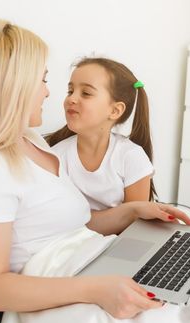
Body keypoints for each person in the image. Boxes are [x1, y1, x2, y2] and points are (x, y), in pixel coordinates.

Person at [0, 19, 190, 321]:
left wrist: (134, 211)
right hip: (74, 302)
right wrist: (97, 290)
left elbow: (70, 227)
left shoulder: (30, 141)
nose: (49, 94)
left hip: (96, 269)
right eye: (43, 80)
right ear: (14, 86)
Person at [46, 58, 156, 210]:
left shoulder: (130, 157)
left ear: (115, 111)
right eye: (70, 91)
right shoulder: (55, 157)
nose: (71, 98)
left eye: (86, 93)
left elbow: (137, 222)